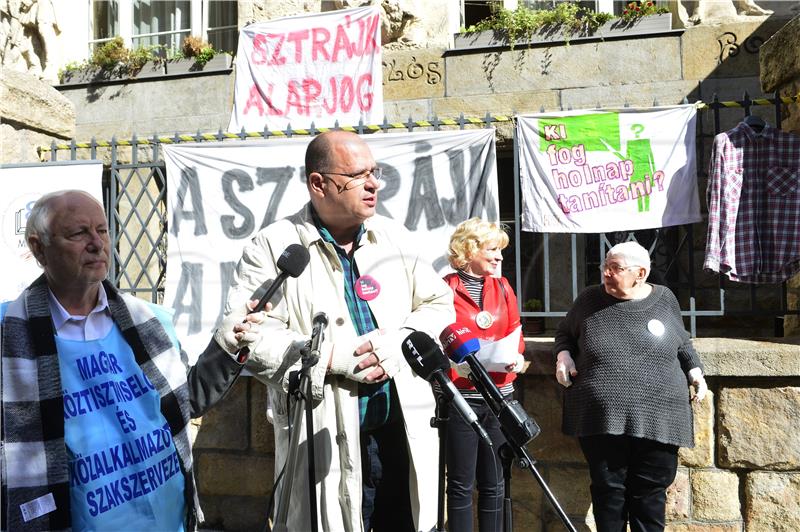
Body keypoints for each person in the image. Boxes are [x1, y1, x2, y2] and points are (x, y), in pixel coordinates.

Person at [217, 130, 455, 531]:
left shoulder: (393, 237)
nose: (373, 183)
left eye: (375, 172)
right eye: (359, 174)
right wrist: (331, 359)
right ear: (318, 183)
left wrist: (400, 342)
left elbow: (438, 303)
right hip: (326, 435)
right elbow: (242, 335)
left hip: (401, 434)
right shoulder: (274, 248)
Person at [0, 190, 263, 531]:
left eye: (102, 230)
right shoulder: (9, 334)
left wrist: (227, 346)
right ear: (38, 248)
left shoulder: (148, 320)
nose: (96, 243)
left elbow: (185, 402)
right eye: (79, 233)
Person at [553, 241, 708, 532]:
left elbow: (682, 340)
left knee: (649, 496)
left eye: (616, 268)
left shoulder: (664, 298)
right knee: (608, 493)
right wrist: (563, 355)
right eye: (605, 267)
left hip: (660, 416)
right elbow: (565, 333)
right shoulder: (589, 300)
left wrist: (695, 371)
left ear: (641, 273)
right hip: (602, 417)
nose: (607, 274)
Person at [442, 217, 525, 532]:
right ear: (469, 249)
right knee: (461, 484)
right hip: (462, 398)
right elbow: (440, 334)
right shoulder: (444, 288)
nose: (500, 257)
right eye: (493, 249)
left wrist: (516, 355)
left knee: (494, 483)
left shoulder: (503, 286)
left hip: (499, 397)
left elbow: (515, 329)